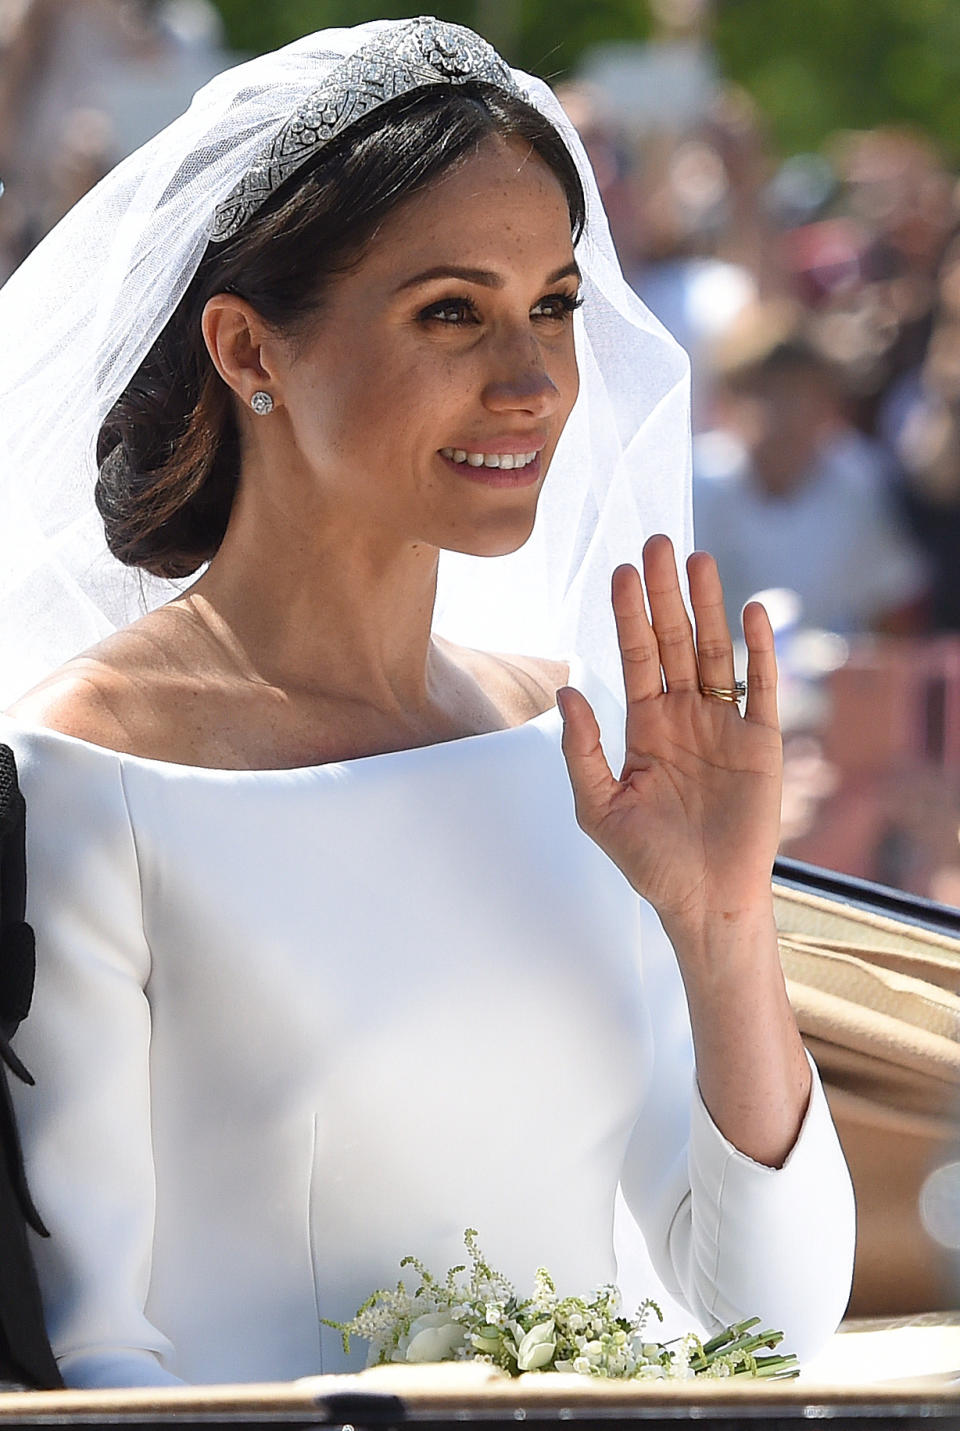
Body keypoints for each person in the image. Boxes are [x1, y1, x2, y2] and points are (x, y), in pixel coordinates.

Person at [0, 18, 854, 1390]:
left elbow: (767, 1323)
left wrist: (724, 925)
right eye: (450, 310)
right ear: (248, 348)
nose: (529, 381)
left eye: (556, 304)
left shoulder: (575, 750)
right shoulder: (81, 772)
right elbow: (98, 1362)